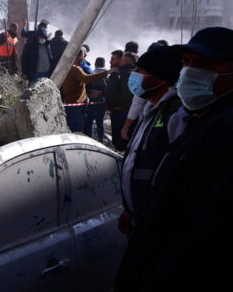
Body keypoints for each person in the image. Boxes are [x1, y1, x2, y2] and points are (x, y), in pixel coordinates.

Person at [116, 27, 233, 291]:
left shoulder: (216, 128)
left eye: (205, 65)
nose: (191, 71)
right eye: (187, 62)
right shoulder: (196, 118)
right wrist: (132, 209)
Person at [61, 48, 114, 133]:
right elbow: (86, 79)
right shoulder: (75, 68)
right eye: (83, 56)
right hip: (76, 104)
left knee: (72, 127)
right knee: (76, 130)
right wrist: (106, 72)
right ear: (79, 56)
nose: (84, 58)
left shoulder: (67, 66)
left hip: (70, 102)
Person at [106, 51, 136, 151]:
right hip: (132, 112)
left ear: (124, 61)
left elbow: (110, 91)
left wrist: (110, 108)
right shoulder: (137, 74)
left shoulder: (117, 74)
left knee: (119, 142)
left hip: (118, 112)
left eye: (121, 60)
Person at [21, 20, 54, 85]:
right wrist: (24, 72)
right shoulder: (30, 44)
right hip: (34, 73)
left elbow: (50, 57)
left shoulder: (47, 45)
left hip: (46, 74)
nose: (42, 38)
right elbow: (24, 59)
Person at [84, 57, 108, 141]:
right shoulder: (108, 74)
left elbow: (88, 87)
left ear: (95, 64)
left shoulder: (92, 73)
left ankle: (89, 139)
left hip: (93, 101)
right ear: (104, 64)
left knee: (89, 121)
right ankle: (100, 140)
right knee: (100, 122)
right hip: (103, 101)